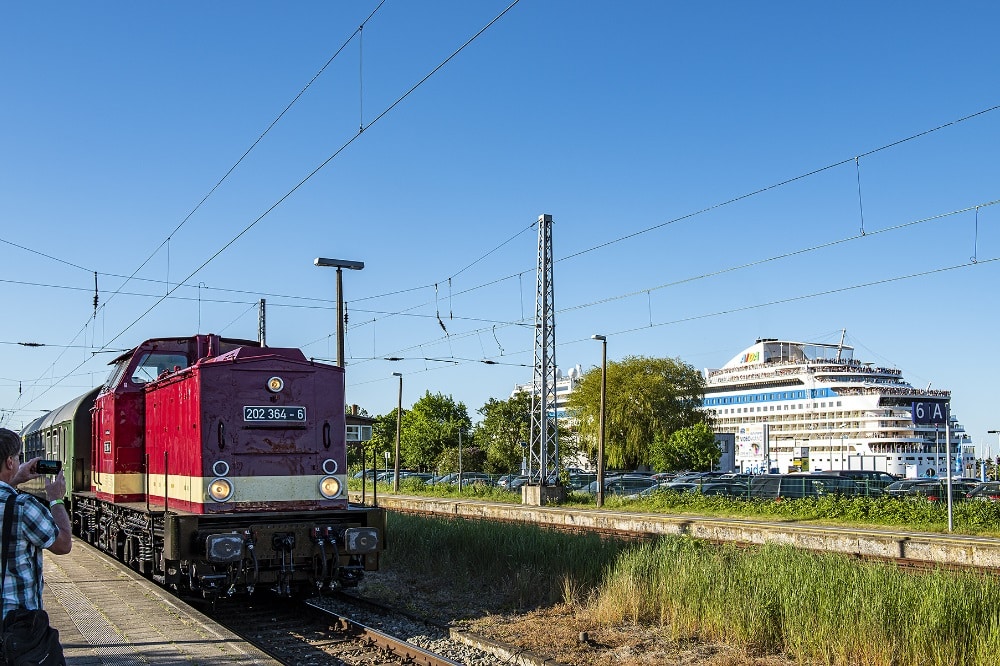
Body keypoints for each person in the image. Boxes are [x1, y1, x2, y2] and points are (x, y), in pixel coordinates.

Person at [0, 428, 72, 622]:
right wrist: (56, 499)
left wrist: (16, 479)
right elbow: (63, 544)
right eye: (17, 457)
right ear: (9, 462)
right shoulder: (23, 507)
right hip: (16, 625)